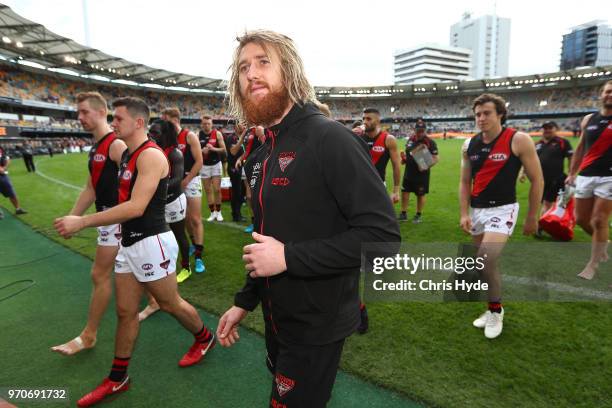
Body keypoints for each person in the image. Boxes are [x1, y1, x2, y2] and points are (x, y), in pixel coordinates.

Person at [216, 30, 400, 408]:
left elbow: (382, 239)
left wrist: (289, 258)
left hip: (316, 326)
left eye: (263, 62)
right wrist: (243, 302)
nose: (251, 74)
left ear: (291, 72)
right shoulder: (260, 155)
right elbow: (266, 242)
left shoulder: (330, 139)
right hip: (275, 316)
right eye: (243, 68)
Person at [55, 97, 215, 407]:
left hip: (152, 243)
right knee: (126, 311)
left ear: (138, 123)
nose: (113, 123)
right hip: (129, 244)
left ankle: (204, 338)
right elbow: (103, 189)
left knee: (170, 303)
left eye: (119, 118)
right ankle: (118, 379)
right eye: (113, 118)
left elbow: (136, 206)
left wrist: (83, 221)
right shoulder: (127, 153)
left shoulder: (150, 156)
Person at [459, 93, 543, 339]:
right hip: (478, 210)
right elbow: (464, 182)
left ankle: (496, 312)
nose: (481, 118)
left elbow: (537, 180)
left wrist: (532, 216)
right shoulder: (469, 145)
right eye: (477, 114)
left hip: (503, 208)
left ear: (500, 114)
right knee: (485, 265)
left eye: (487, 113)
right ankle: (492, 308)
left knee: (486, 260)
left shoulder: (518, 140)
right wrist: (464, 212)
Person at [51, 92, 124, 356]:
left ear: (102, 112)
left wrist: (82, 222)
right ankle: (158, 302)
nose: (79, 117)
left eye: (84, 112)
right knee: (148, 282)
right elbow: (90, 188)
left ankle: (89, 335)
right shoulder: (95, 148)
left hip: (119, 221)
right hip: (107, 221)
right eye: (78, 113)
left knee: (99, 274)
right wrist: (72, 218)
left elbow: (139, 183)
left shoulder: (116, 145)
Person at [139, 119, 192, 321]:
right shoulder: (152, 150)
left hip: (174, 201)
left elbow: (178, 179)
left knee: (179, 235)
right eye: (150, 131)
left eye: (155, 132)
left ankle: (186, 266)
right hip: (160, 202)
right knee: (162, 237)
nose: (151, 134)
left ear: (166, 134)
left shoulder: (175, 153)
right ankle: (165, 269)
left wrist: (152, 187)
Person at [566, 80, 612, 279]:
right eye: (608, 91)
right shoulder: (588, 120)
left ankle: (592, 265)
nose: (610, 95)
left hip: (609, 177)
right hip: (586, 174)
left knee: (599, 219)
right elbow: (580, 148)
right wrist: (572, 173)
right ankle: (603, 243)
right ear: (601, 94)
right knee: (582, 219)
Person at [161, 108, 205, 274]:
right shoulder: (167, 138)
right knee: (183, 218)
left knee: (195, 218)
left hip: (191, 180)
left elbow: (199, 161)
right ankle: (193, 245)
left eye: (166, 120)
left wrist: (186, 180)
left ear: (174, 120)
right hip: (175, 184)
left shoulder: (189, 136)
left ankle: (199, 258)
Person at [521, 121, 573, 229]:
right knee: (542, 203)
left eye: (550, 128)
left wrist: (571, 173)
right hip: (538, 180)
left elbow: (571, 157)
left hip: (556, 179)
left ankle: (540, 227)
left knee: (548, 203)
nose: (547, 130)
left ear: (556, 129)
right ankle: (545, 224)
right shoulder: (537, 144)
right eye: (545, 128)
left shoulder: (562, 142)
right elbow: (528, 160)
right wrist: (523, 173)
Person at [398, 119, 439, 223]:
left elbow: (435, 158)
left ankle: (418, 214)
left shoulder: (430, 142)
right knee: (405, 192)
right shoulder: (410, 140)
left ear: (425, 130)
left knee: (420, 194)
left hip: (422, 175)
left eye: (422, 130)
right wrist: (404, 160)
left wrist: (426, 165)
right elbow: (409, 155)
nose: (420, 133)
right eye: (418, 130)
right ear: (414, 130)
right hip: (408, 172)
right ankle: (403, 213)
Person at [361, 108, 401, 204]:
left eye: (369, 119)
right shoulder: (357, 137)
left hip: (378, 185)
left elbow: (396, 165)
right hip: (359, 185)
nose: (365, 122)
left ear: (378, 120)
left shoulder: (388, 139)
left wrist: (396, 190)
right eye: (363, 119)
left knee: (377, 217)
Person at [235, 125, 270, 233]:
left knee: (258, 195)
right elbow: (247, 150)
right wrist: (240, 159)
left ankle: (263, 221)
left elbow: (266, 145)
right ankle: (254, 221)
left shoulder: (258, 128)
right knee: (249, 196)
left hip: (257, 165)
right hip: (248, 164)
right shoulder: (247, 131)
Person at [199, 115, 227, 222]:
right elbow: (195, 151)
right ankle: (212, 213)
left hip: (216, 164)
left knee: (217, 189)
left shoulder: (217, 133)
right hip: (204, 165)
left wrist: (212, 148)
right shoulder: (198, 135)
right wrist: (202, 151)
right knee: (208, 190)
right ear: (202, 124)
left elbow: (224, 150)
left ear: (212, 124)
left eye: (208, 123)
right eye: (204, 123)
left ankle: (219, 212)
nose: (206, 126)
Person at [226, 122, 247, 222]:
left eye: (244, 124)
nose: (243, 126)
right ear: (235, 127)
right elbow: (233, 151)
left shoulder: (246, 137)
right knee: (236, 192)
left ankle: (238, 213)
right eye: (240, 124)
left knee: (242, 192)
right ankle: (236, 215)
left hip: (242, 167)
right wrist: (241, 139)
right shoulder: (231, 137)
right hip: (234, 168)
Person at [0, 144, 27, 218]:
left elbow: (7, 158)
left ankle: (18, 209)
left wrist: (4, 168)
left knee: (11, 192)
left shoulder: (1, 148)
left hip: (3, 176)